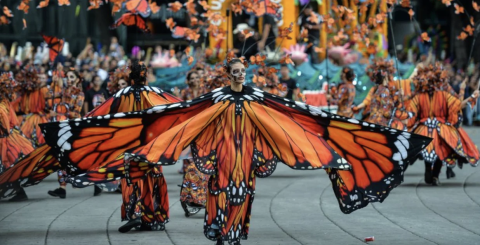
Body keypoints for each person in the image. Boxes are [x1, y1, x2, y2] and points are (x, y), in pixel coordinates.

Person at [41, 58, 430, 245]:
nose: (240, 74)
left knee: (241, 192)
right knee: (216, 189)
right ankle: (217, 225)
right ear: (229, 74)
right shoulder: (213, 98)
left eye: (244, 70)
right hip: (222, 150)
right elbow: (180, 116)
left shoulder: (260, 98)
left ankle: (232, 231)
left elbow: (302, 118)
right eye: (236, 70)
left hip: (244, 151)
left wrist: (333, 149)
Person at [407, 63, 479, 186]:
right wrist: (471, 96)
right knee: (442, 149)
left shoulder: (420, 97)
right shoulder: (441, 95)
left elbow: (410, 115)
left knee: (436, 148)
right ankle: (433, 175)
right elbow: (458, 104)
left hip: (426, 129)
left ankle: (431, 173)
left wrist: (470, 95)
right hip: (440, 129)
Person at [47, 67, 89, 199]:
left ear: (78, 79)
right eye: (68, 77)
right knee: (61, 159)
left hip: (73, 129)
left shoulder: (80, 94)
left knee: (77, 159)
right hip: (62, 129)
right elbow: (49, 96)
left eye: (72, 77)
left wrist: (60, 113)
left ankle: (95, 182)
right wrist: (54, 83)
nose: (69, 80)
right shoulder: (64, 91)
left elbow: (76, 113)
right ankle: (62, 188)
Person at [0, 73, 34, 202]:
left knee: (7, 168)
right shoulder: (4, 103)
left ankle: (19, 192)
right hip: (8, 138)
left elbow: (7, 126)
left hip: (5, 140)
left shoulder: (2, 105)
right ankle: (18, 191)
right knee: (7, 168)